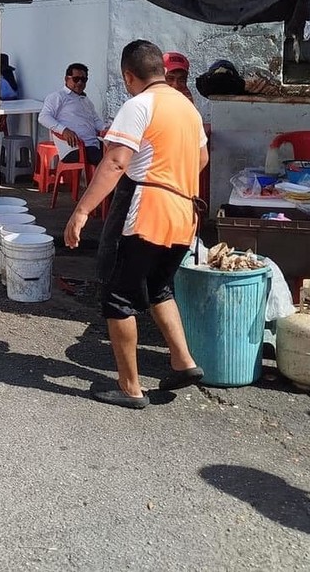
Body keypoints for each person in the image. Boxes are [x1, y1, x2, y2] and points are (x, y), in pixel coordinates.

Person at [64, 40, 208, 408]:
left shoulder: (139, 104)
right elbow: (202, 159)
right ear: (161, 69)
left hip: (148, 210)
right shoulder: (188, 109)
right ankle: (183, 361)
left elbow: (115, 163)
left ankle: (130, 387)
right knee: (159, 286)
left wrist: (81, 212)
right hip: (185, 213)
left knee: (118, 295)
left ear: (130, 76)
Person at [39, 62, 107, 165]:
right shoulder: (58, 96)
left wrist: (107, 130)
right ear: (67, 79)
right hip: (73, 148)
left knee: (119, 153)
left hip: (93, 145)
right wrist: (64, 130)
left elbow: (96, 121)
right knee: (107, 162)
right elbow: (43, 117)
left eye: (83, 80)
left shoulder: (86, 100)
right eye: (76, 79)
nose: (80, 83)